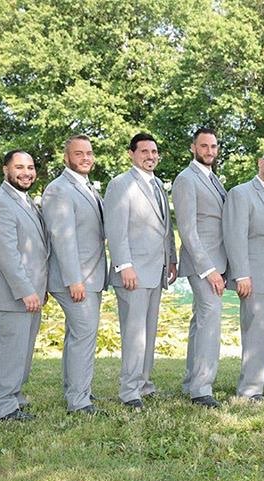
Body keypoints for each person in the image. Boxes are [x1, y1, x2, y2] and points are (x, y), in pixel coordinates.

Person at [104, 133, 177, 410]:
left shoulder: (158, 185)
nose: (150, 156)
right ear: (131, 154)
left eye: (154, 151)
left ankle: (144, 384)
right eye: (144, 151)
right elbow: (116, 229)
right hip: (133, 272)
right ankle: (129, 391)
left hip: (156, 270)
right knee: (134, 334)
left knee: (148, 332)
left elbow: (165, 228)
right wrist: (124, 266)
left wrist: (171, 260)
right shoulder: (120, 184)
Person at [0, 150, 49, 421]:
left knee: (21, 352)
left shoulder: (26, 202)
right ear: (5, 169)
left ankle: (14, 397)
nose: (26, 173)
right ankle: (3, 408)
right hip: (6, 296)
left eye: (30, 167)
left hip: (29, 294)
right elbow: (7, 255)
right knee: (7, 353)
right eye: (19, 167)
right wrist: (26, 290)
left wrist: (40, 289)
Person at [42, 135, 107, 414]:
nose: (85, 158)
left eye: (89, 153)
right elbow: (62, 237)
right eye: (78, 153)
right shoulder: (59, 189)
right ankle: (79, 402)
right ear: (66, 158)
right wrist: (74, 279)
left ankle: (77, 391)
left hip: (91, 275)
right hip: (76, 279)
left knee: (77, 336)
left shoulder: (87, 186)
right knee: (83, 336)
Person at [223, 148, 264, 402]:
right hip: (254, 275)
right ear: (259, 163)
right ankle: (250, 389)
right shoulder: (241, 193)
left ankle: (263, 375)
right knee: (255, 330)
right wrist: (241, 274)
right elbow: (235, 235)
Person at [172, 127, 228, 408]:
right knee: (210, 321)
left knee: (201, 322)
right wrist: (209, 269)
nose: (209, 151)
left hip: (216, 261)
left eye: (213, 146)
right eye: (204, 146)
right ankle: (201, 389)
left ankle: (191, 382)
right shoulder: (186, 179)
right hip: (203, 264)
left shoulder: (212, 178)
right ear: (193, 148)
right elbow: (188, 230)